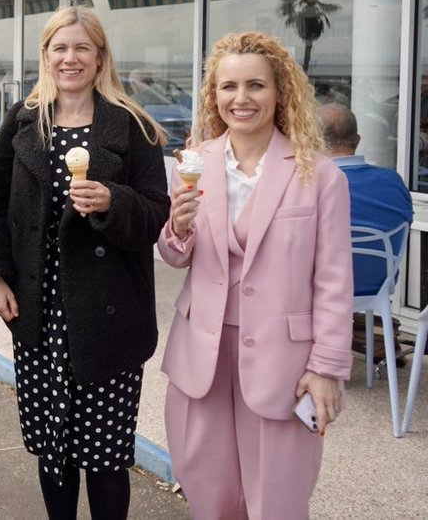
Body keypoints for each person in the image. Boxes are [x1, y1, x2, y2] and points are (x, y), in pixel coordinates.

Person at [0, 5, 169, 520]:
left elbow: (156, 215)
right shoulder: (22, 121)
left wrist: (114, 202)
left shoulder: (132, 128)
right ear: (45, 55)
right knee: (54, 453)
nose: (70, 58)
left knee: (107, 459)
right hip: (40, 316)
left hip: (108, 320)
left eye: (82, 47)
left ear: (100, 56)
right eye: (60, 48)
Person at [161, 32, 353, 519]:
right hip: (202, 354)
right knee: (207, 491)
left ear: (280, 92)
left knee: (277, 499)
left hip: (283, 362)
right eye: (228, 87)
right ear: (214, 94)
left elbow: (333, 280)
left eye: (255, 86)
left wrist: (326, 369)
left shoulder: (319, 175)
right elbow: (174, 255)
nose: (240, 99)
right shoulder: (193, 163)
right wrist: (178, 228)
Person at [317, 103, 412, 347]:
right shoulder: (393, 181)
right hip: (376, 285)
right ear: (357, 140)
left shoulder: (311, 183)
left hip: (322, 287)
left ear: (313, 140)